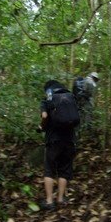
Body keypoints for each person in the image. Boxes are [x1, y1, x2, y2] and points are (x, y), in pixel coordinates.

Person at [38, 80, 77, 210]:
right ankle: (60, 199)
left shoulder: (48, 99)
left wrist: (42, 127)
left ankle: (49, 202)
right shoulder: (69, 97)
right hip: (70, 140)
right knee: (64, 169)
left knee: (49, 169)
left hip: (54, 140)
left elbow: (44, 116)